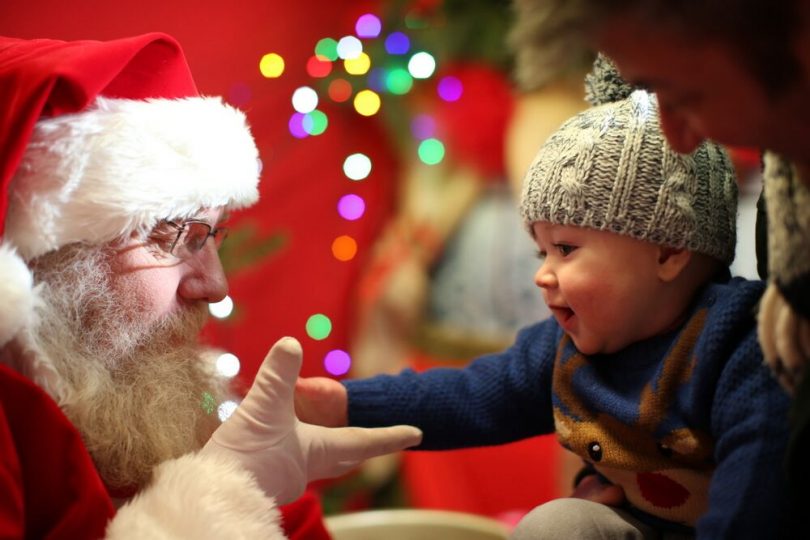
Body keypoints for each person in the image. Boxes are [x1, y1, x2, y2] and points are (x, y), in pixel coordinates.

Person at [295, 57, 792, 538]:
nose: (543, 275)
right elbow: (466, 396)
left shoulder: (741, 354)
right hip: (632, 526)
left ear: (668, 252)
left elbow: (751, 507)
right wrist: (346, 404)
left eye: (566, 250)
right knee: (557, 525)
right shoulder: (566, 349)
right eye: (542, 252)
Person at [0, 33, 422, 538]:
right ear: (50, 258)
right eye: (175, 237)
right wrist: (211, 505)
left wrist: (239, 485)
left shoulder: (144, 398)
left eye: (213, 236)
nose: (215, 286)